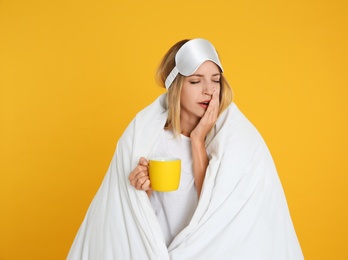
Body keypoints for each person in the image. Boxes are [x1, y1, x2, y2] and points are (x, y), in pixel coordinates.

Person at [68, 38, 304, 259]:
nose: (209, 90)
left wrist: (198, 140)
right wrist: (140, 191)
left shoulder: (234, 141)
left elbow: (216, 211)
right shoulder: (146, 137)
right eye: (195, 80)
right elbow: (127, 215)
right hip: (158, 249)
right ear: (176, 86)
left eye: (215, 79)